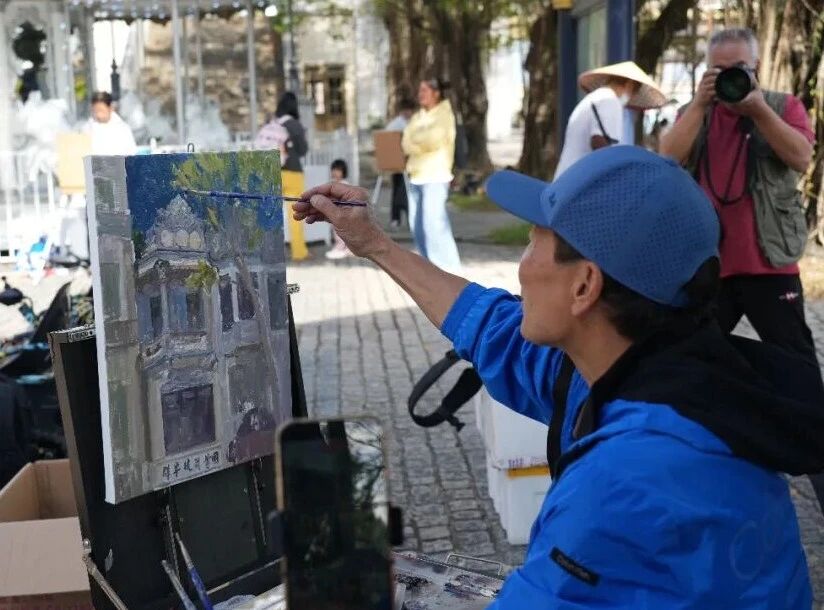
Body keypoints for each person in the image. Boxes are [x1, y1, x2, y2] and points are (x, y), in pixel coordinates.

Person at [293, 146, 824, 607]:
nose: (521, 266)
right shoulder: (660, 373)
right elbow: (495, 330)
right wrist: (376, 244)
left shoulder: (626, 481)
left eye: (532, 242)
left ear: (585, 286)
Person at [660, 28, 818, 365]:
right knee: (693, 357)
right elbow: (667, 159)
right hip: (710, 263)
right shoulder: (697, 112)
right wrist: (699, 104)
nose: (729, 77)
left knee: (795, 360)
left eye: (739, 68)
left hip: (770, 261)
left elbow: (802, 158)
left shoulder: (783, 106)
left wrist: (759, 111)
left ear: (756, 66)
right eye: (719, 69)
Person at [554, 61, 665, 178]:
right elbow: (599, 143)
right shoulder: (610, 100)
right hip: (578, 180)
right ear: (629, 85)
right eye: (633, 92)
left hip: (569, 177)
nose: (630, 97)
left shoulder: (598, 97)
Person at [401, 79, 461, 273]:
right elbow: (405, 142)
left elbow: (434, 139)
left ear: (436, 93)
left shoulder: (444, 114)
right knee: (417, 227)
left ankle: (450, 272)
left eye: (425, 90)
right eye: (419, 90)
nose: (420, 94)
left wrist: (416, 141)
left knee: (434, 226)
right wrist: (419, 142)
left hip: (435, 177)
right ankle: (431, 271)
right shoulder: (418, 116)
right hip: (415, 177)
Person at [272, 92, 310, 261]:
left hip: (273, 171)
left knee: (270, 214)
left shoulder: (273, 124)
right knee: (296, 214)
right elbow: (302, 150)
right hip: (293, 172)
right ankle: (299, 252)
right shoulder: (294, 125)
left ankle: (270, 253)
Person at [385, 98, 416, 229]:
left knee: (402, 190)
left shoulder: (404, 123)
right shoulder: (399, 124)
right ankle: (401, 218)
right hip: (401, 163)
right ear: (404, 111)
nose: (410, 113)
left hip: (405, 163)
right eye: (408, 110)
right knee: (403, 190)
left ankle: (397, 218)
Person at [85, 91, 137, 156]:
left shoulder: (123, 129)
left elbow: (131, 153)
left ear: (110, 108)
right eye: (95, 111)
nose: (98, 115)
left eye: (101, 111)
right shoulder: (87, 128)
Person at [325, 159, 353, 260]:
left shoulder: (345, 184)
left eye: (338, 170)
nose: (335, 172)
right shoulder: (332, 183)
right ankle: (344, 248)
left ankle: (341, 248)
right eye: (334, 170)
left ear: (343, 172)